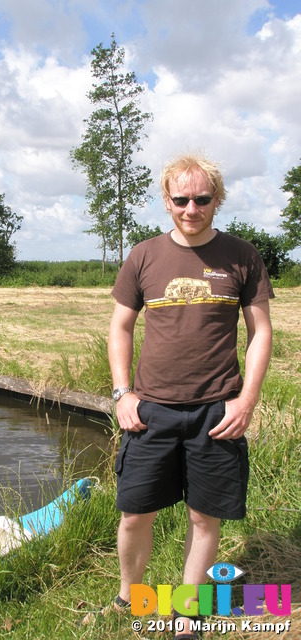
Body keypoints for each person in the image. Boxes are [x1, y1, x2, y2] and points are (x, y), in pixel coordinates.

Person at [108, 152, 274, 639]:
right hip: (150, 410)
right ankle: (128, 597)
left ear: (217, 199)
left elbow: (260, 332)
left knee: (204, 516)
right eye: (181, 199)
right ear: (166, 200)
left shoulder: (243, 256)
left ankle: (187, 610)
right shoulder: (143, 255)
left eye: (202, 199)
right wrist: (122, 392)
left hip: (216, 410)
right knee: (136, 511)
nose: (191, 208)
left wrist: (246, 401)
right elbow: (120, 326)